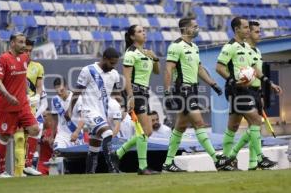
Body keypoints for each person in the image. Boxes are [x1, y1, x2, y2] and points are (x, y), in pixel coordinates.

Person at [162, 16, 231, 172]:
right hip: (182, 89)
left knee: (180, 126)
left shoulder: (194, 47)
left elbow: (199, 69)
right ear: (186, 28)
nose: (197, 29)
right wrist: (167, 92)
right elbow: (168, 69)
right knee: (199, 122)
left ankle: (167, 163)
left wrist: (213, 84)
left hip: (193, 89)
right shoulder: (176, 46)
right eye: (195, 26)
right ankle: (216, 159)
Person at [216, 17, 282, 171]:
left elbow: (254, 69)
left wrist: (269, 83)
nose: (248, 30)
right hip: (235, 89)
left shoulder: (246, 47)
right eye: (245, 27)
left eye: (248, 27)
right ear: (237, 29)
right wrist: (232, 81)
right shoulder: (230, 47)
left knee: (233, 126)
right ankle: (259, 158)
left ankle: (226, 160)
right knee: (256, 121)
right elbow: (219, 67)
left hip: (245, 90)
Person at [112, 25, 160, 175]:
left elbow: (157, 71)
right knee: (145, 130)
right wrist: (131, 97)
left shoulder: (145, 53)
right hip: (135, 93)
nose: (144, 33)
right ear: (132, 37)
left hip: (144, 93)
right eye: (140, 31)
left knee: (147, 131)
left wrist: (155, 58)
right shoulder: (131, 53)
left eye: (144, 31)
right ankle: (142, 166)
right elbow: (126, 77)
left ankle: (118, 153)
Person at [0, 33, 39, 178]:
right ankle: (1, 171)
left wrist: (28, 94)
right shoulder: (3, 59)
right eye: (20, 42)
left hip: (23, 105)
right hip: (7, 106)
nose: (24, 45)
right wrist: (8, 96)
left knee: (35, 130)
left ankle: (28, 165)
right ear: (12, 43)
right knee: (5, 137)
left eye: (24, 42)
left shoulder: (25, 58)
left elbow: (22, 79)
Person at [70, 47, 121, 174]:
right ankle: (113, 169)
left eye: (115, 63)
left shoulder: (114, 74)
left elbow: (116, 92)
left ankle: (89, 174)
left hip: (102, 114)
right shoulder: (88, 70)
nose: (113, 66)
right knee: (108, 133)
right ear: (104, 58)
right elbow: (77, 91)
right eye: (111, 63)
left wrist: (124, 104)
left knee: (94, 147)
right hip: (89, 112)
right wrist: (70, 109)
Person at [14, 39, 45, 176]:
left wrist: (37, 97)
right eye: (26, 50)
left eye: (30, 51)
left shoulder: (38, 66)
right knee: (19, 137)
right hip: (17, 104)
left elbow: (39, 86)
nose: (28, 53)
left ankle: (28, 164)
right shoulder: (15, 64)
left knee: (33, 132)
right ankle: (18, 170)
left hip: (31, 104)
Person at [51, 78, 84, 150]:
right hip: (61, 135)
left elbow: (83, 117)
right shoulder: (55, 100)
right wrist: (52, 136)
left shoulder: (77, 99)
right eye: (57, 91)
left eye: (61, 90)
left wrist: (76, 132)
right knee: (57, 154)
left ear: (66, 87)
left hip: (76, 134)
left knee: (75, 159)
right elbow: (54, 120)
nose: (59, 93)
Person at [37, 110, 56, 175]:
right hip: (42, 162)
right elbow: (37, 147)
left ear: (50, 117)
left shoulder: (56, 130)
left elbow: (56, 145)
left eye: (44, 116)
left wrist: (49, 140)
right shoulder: (40, 131)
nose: (42, 118)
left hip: (54, 161)